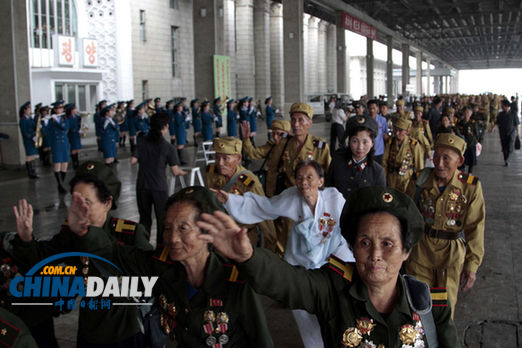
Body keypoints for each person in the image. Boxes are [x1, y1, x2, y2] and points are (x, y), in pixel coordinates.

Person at [198, 186, 460, 348]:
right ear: (352, 247)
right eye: (365, 242)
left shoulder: (430, 306)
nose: (375, 255)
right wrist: (247, 256)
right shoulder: (332, 289)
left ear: (406, 251)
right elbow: (287, 281)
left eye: (388, 244)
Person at [51, 186, 275, 347]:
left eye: (183, 228)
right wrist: (84, 231)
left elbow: (261, 339)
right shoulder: (162, 266)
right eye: (167, 228)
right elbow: (115, 253)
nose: (173, 238)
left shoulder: (235, 282)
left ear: (207, 232)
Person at [11, 161, 153, 346]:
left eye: (87, 202)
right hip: (90, 326)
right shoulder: (71, 233)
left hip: (124, 328)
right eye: (75, 201)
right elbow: (41, 261)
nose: (80, 210)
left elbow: (149, 274)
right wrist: (26, 239)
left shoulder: (128, 233)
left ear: (107, 203)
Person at [214, 159, 352, 348]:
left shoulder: (334, 199)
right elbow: (263, 207)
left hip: (333, 261)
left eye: (309, 177)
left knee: (339, 309)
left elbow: (352, 222)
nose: (304, 182)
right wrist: (229, 199)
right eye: (299, 178)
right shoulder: (292, 197)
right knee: (304, 314)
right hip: (302, 264)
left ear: (321, 181)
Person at [406, 133, 485, 317]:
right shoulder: (419, 181)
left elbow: (476, 228)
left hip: (451, 257)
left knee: (445, 311)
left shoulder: (470, 187)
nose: (439, 163)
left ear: (460, 160)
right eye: (436, 156)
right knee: (416, 307)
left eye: (446, 158)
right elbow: (405, 216)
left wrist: (471, 266)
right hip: (420, 252)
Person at [205, 137, 277, 251]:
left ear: (238, 158)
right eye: (217, 157)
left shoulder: (248, 181)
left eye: (225, 158)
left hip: (242, 236)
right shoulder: (211, 172)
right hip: (219, 234)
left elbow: (262, 211)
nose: (220, 163)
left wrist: (271, 241)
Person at [131, 112, 187, 246]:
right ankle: (160, 250)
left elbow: (133, 160)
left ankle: (142, 247)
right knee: (163, 220)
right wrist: (183, 172)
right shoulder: (168, 147)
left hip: (142, 185)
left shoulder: (142, 141)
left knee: (144, 219)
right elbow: (175, 170)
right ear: (165, 127)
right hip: (159, 187)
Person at [326, 115, 385, 199]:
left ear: (372, 143)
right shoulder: (337, 162)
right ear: (349, 141)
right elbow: (327, 189)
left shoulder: (377, 172)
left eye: (365, 142)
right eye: (355, 141)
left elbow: (378, 202)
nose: (360, 147)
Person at [279, 102, 331, 190]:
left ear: (309, 123)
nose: (295, 124)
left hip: (311, 192)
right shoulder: (285, 143)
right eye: (293, 120)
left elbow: (329, 174)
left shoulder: (319, 147)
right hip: (290, 192)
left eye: (300, 120)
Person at [241, 119, 291, 197]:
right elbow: (253, 152)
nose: (275, 137)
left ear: (287, 134)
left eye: (279, 134)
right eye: (273, 133)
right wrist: (246, 138)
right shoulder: (271, 147)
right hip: (270, 189)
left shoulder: (292, 148)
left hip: (285, 191)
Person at [382, 118, 424, 197]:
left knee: (405, 198)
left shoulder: (413, 144)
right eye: (396, 130)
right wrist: (384, 177)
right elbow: (384, 161)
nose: (397, 133)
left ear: (406, 132)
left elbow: (419, 166)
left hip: (406, 178)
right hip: (392, 177)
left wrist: (417, 182)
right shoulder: (390, 142)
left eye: (400, 131)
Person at [49, 100, 71, 194]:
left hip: (64, 143)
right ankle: (60, 185)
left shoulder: (64, 118)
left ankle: (60, 185)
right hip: (56, 144)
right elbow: (48, 131)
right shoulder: (51, 120)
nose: (60, 110)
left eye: (61, 108)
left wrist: (57, 121)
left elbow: (65, 127)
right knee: (57, 164)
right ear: (54, 110)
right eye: (58, 108)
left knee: (65, 165)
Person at [493, 99, 520, 166]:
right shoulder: (501, 114)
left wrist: (518, 133)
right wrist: (493, 128)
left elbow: (516, 124)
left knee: (510, 146)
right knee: (504, 147)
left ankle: (507, 159)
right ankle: (505, 158)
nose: (502, 107)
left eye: (503, 106)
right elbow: (497, 122)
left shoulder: (513, 113)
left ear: (506, 106)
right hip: (503, 133)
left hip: (511, 133)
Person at [18, 101, 39, 179]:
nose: (30, 110)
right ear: (25, 110)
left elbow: (34, 127)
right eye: (29, 108)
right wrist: (31, 136)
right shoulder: (23, 120)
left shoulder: (30, 118)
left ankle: (33, 171)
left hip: (33, 139)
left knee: (32, 156)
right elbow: (24, 132)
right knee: (29, 156)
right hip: (28, 140)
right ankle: (30, 173)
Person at [457, 106, 479, 173]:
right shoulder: (460, 123)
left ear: (471, 114)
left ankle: (470, 175)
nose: (466, 114)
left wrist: (475, 141)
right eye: (465, 113)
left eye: (468, 113)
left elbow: (476, 134)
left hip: (471, 144)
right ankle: (462, 175)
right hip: (462, 145)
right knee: (461, 161)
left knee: (471, 162)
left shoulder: (473, 123)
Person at [366, 99, 389, 165]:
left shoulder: (382, 120)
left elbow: (385, 133)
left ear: (377, 108)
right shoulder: (365, 120)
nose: (372, 110)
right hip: (368, 150)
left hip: (379, 151)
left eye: (374, 108)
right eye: (370, 108)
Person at [66, 103, 82, 169]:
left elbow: (78, 124)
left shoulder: (77, 117)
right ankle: (75, 163)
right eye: (74, 109)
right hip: (71, 134)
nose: (76, 110)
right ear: (71, 110)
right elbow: (69, 126)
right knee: (73, 149)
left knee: (77, 149)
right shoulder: (68, 117)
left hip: (76, 134)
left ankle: (77, 162)